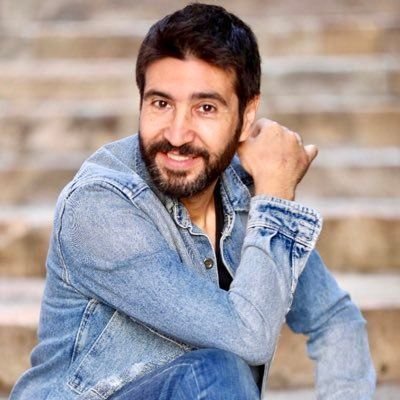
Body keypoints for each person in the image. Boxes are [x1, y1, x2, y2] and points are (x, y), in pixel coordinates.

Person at [10, 3, 376, 399]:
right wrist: (276, 197)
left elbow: (334, 318)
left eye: (205, 108)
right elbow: (247, 336)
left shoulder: (243, 195)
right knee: (216, 373)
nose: (177, 134)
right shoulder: (97, 206)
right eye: (161, 103)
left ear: (246, 115)